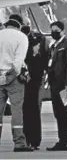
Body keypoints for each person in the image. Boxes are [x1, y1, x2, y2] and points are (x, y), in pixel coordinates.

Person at [0, 14, 33, 152]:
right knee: (16, 110)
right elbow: (19, 60)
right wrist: (10, 76)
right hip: (14, 79)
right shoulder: (21, 37)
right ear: (19, 26)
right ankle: (19, 143)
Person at [45, 21, 67, 151]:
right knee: (58, 113)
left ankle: (63, 142)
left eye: (56, 30)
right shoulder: (55, 46)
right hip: (55, 84)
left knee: (63, 113)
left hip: (65, 84)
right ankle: (61, 141)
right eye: (52, 30)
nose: (54, 32)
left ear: (63, 31)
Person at [21, 18, 45, 150]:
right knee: (27, 110)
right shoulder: (21, 38)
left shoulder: (38, 39)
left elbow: (42, 58)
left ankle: (34, 140)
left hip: (34, 79)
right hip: (27, 79)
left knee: (33, 109)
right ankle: (28, 138)